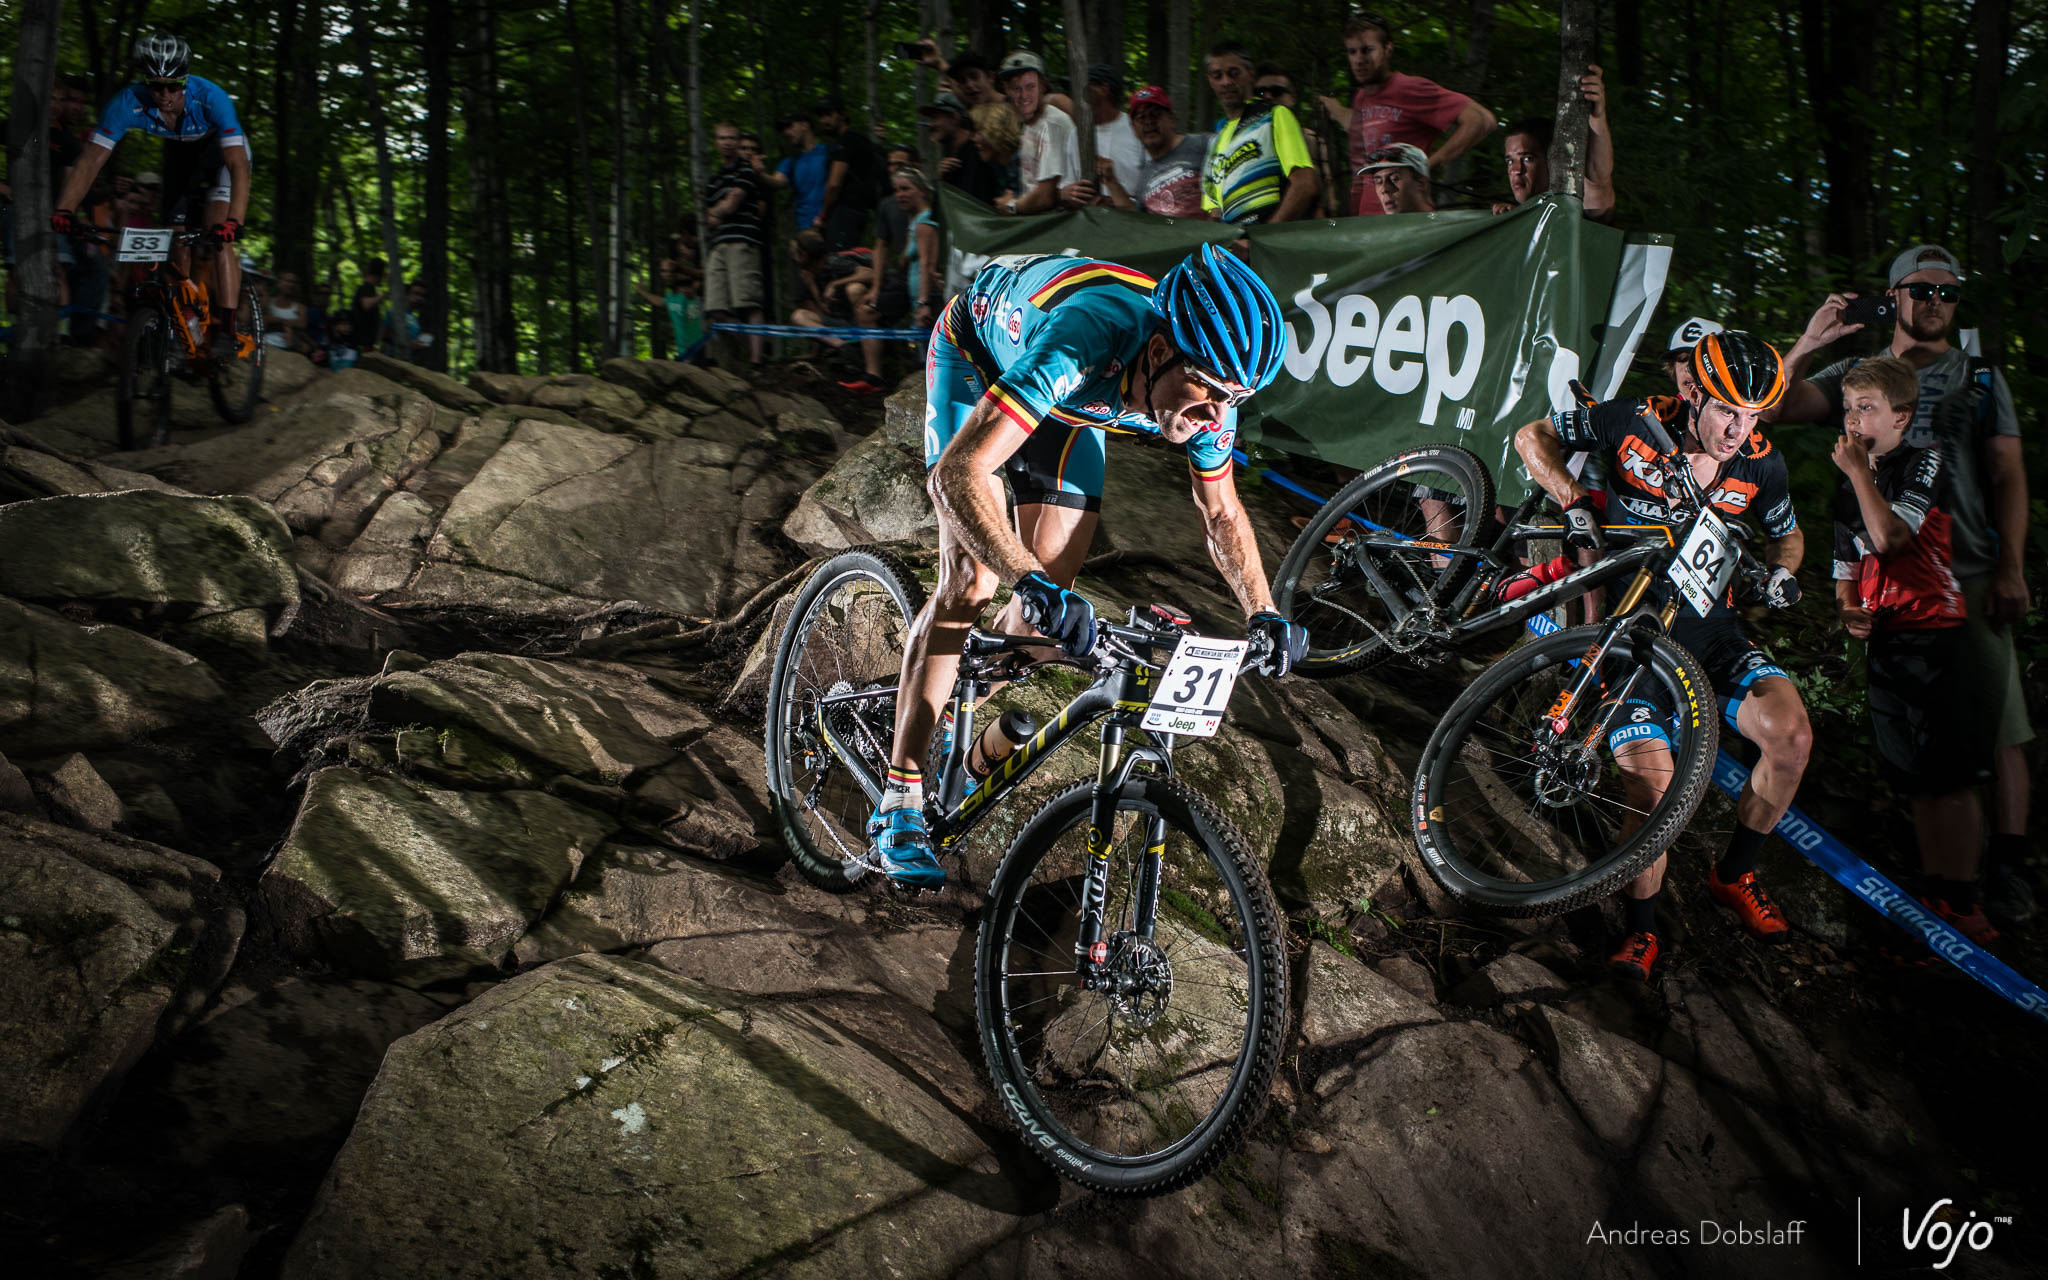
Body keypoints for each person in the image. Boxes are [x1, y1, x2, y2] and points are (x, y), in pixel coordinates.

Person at [867, 245, 1310, 886]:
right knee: (973, 580)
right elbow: (957, 474)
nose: (1217, 415)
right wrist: (1023, 576)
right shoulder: (1086, 336)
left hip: (1075, 402)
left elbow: (1221, 513)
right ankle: (900, 797)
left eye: (1234, 398)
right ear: (1159, 352)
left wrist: (1263, 611)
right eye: (1208, 391)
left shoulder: (1208, 388)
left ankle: (939, 715)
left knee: (1045, 621)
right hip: (980, 356)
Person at [1514, 331, 1813, 981]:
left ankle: (1734, 875)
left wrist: (1782, 573)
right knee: (1652, 796)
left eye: (1752, 417)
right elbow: (1531, 436)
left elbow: (1788, 539)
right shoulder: (1638, 420)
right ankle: (1641, 929)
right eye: (1727, 411)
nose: (1737, 431)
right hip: (1632, 633)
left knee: (1790, 736)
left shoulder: (1762, 463)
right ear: (1694, 394)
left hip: (1712, 630)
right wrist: (1573, 501)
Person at [1776, 244, 2034, 924]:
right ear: (1893, 297)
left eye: (1949, 292)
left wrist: (2011, 566)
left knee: (1998, 725)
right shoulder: (1859, 377)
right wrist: (1809, 342)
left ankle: (2006, 876)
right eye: (1922, 289)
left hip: (1967, 571)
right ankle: (1943, 889)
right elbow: (1775, 407)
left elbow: (2009, 475)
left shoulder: (1979, 377)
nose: (1936, 302)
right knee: (1921, 740)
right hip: (1885, 583)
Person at [1829, 357, 2000, 943]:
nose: (1853, 420)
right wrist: (1847, 610)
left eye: (1867, 408)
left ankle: (1966, 902)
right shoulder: (1849, 481)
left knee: (1950, 779)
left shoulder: (1923, 460)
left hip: (1938, 637)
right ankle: (1935, 896)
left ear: (1901, 417)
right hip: (1887, 641)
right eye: (1848, 409)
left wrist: (1860, 475)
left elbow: (1891, 539)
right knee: (1914, 779)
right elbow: (1845, 569)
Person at [54, 33, 253, 358]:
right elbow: (90, 161)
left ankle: (228, 331)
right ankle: (185, 327)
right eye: (156, 86)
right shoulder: (127, 102)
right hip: (179, 158)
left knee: (219, 234)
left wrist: (235, 220)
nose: (164, 94)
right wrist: (64, 209)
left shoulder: (211, 98)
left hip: (220, 156)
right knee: (177, 241)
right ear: (145, 81)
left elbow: (238, 164)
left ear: (185, 81)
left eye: (173, 86)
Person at [1340, 11, 1494, 217]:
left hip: (1409, 221)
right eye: (1352, 52)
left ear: (1387, 49)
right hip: (1368, 224)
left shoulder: (1409, 89)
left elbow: (1482, 120)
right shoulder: (1361, 98)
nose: (1359, 59)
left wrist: (1428, 164)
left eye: (1368, 50)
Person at [837, 166, 940, 395]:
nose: (899, 195)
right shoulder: (914, 220)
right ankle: (874, 377)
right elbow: (901, 253)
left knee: (930, 353)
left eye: (906, 189)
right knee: (868, 311)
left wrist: (923, 302)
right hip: (911, 290)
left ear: (921, 191)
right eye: (896, 190)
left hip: (926, 296)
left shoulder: (926, 221)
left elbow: (927, 264)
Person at [1200, 43, 1319, 224]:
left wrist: (1266, 235)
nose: (1226, 82)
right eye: (1217, 76)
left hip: (1272, 237)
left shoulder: (1275, 116)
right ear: (1210, 80)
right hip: (1233, 240)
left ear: (1250, 74)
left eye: (1234, 73)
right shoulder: (1216, 140)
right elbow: (1213, 213)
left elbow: (1304, 184)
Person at [1490, 67, 1614, 220]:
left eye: (1527, 158)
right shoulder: (1511, 214)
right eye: (1510, 161)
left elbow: (1598, 183)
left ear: (1554, 160)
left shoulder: (1574, 211)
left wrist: (1596, 116)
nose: (1516, 170)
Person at [708, 121, 769, 368]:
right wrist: (720, 209)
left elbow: (732, 203)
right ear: (716, 142)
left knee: (748, 302)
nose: (727, 143)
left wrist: (719, 209)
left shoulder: (746, 170)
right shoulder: (713, 179)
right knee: (715, 307)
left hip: (743, 241)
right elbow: (709, 217)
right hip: (718, 244)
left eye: (732, 138)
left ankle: (756, 361)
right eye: (722, 138)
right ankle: (753, 353)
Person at [1103, 86, 1209, 219]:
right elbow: (1137, 219)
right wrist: (1111, 181)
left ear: (1171, 118)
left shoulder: (1202, 144)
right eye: (1141, 118)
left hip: (1208, 230)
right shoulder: (1145, 177)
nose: (1148, 122)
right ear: (1133, 127)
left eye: (1155, 115)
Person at [996, 51, 1080, 215]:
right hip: (1038, 220)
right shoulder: (1029, 123)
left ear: (1043, 86)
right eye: (1015, 88)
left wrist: (1012, 206)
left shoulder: (1053, 124)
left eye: (1030, 87)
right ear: (1006, 90)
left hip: (1057, 222)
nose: (1023, 96)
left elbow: (1045, 197)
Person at [1253, 64, 1339, 217]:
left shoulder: (1310, 139)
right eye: (1260, 93)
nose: (1267, 97)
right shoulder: (1239, 142)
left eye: (1277, 92)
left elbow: (1326, 195)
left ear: (1292, 98)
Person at [815, 97, 882, 251]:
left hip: (845, 211)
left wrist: (823, 215)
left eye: (828, 114)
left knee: (839, 259)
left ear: (841, 115)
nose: (823, 120)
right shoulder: (858, 140)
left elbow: (834, 184)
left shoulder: (847, 141)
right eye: (821, 116)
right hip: (857, 211)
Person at [920, 92, 1002, 204]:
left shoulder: (979, 153)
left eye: (935, 118)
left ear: (955, 118)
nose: (931, 124)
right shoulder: (951, 161)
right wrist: (942, 179)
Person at [1082, 64, 1146, 202]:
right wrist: (1066, 194)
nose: (1079, 97)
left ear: (1104, 90)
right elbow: (1067, 185)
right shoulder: (1076, 134)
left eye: (1086, 90)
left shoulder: (1136, 128)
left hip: (1131, 214)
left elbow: (1153, 187)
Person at [762, 110, 832, 232]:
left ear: (805, 125)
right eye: (783, 129)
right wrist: (759, 172)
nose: (786, 132)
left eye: (789, 126)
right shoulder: (790, 162)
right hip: (804, 227)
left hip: (831, 223)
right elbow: (777, 181)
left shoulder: (829, 153)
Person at [636, 258, 704, 362]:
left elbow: (701, 276)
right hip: (683, 352)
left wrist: (680, 268)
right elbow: (660, 302)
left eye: (670, 271)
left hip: (697, 350)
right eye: (663, 271)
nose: (666, 275)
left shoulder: (688, 291)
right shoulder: (671, 296)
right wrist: (642, 291)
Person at [971, 102, 1024, 205]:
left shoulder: (1024, 160)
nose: (974, 139)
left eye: (979, 132)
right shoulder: (995, 166)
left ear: (996, 132)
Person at [1358, 142, 1433, 214]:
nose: (1384, 189)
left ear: (1421, 183)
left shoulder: (1437, 222)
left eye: (1394, 179)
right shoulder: (1380, 223)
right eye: (1378, 182)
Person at [264, 269, 308, 352]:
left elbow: (302, 324)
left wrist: (276, 321)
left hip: (289, 348)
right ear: (279, 283)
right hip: (266, 344)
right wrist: (287, 323)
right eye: (288, 281)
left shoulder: (300, 307)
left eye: (294, 282)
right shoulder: (268, 301)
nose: (291, 285)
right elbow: (264, 319)